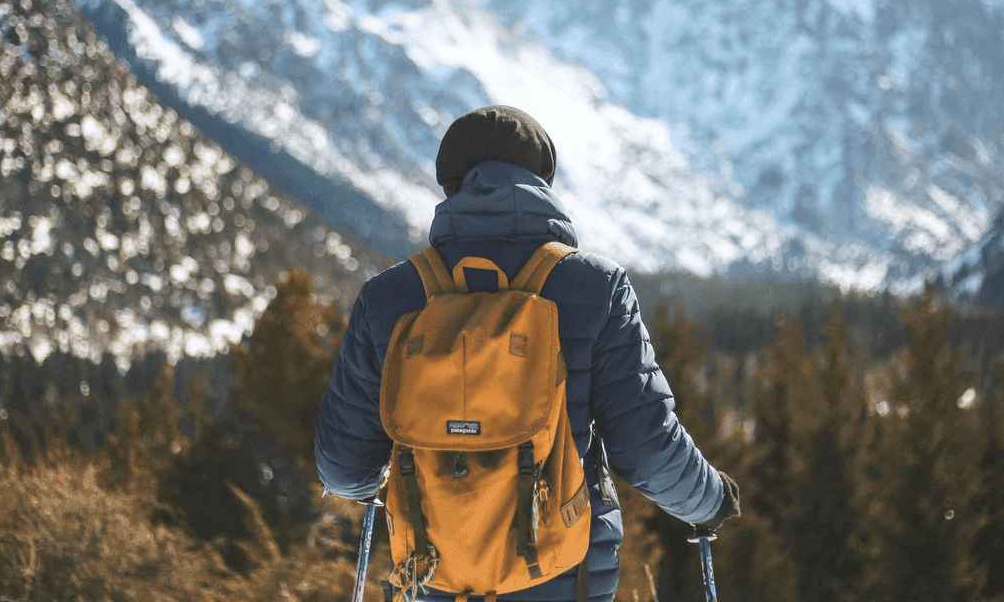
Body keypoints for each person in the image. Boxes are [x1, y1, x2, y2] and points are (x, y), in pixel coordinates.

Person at [316, 105, 740, 601]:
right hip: (562, 577)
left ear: (449, 184)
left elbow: (343, 469)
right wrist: (709, 501)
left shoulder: (390, 297)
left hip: (434, 577)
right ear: (542, 182)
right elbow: (646, 447)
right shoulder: (595, 288)